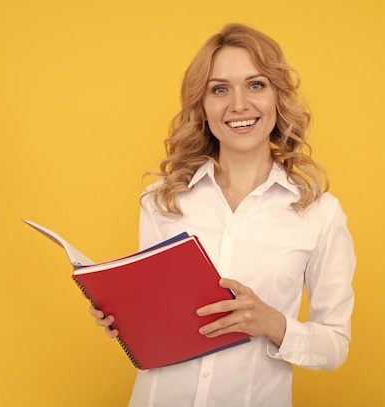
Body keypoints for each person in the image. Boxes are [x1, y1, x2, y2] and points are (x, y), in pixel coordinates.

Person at [89, 23, 356, 407]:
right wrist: (124, 319)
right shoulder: (162, 201)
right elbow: (157, 322)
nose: (238, 105)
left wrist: (273, 324)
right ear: (203, 106)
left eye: (256, 84)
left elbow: (335, 346)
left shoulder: (320, 214)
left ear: (278, 97)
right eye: (219, 89)